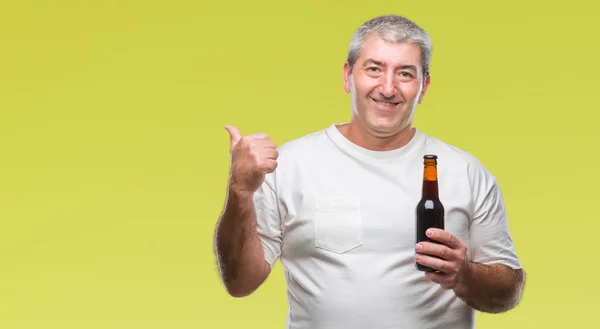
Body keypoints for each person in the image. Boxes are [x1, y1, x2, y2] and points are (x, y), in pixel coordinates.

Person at [213, 14, 526, 329]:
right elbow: (239, 283)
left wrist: (466, 276)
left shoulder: (466, 173)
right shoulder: (290, 165)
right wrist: (239, 192)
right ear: (348, 76)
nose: (387, 88)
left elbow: (508, 292)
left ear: (424, 87)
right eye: (374, 69)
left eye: (405, 73)